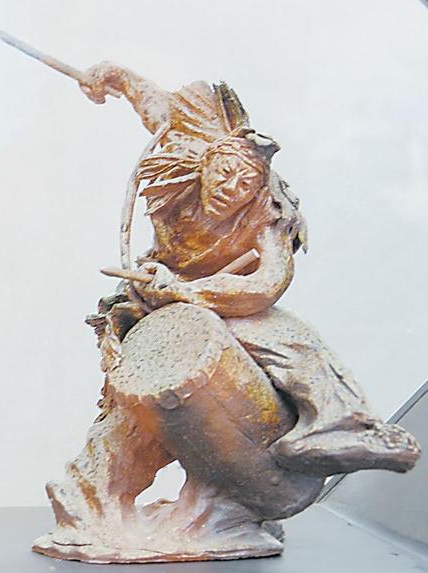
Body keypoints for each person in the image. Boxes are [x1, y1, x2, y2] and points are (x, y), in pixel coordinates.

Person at [82, 61, 420, 477]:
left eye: (244, 185)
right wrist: (115, 76)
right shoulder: (187, 152)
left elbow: (269, 281)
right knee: (128, 411)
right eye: (225, 174)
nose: (230, 190)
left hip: (220, 300)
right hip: (150, 298)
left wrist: (190, 292)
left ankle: (338, 426)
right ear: (206, 163)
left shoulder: (268, 210)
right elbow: (160, 108)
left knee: (291, 338)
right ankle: (95, 487)